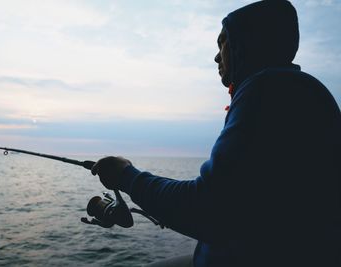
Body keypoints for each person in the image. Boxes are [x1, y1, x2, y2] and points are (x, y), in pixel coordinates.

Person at [91, 0, 341, 266]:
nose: (216, 56)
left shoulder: (267, 90)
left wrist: (126, 176)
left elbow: (208, 209)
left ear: (245, 44)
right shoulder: (293, 90)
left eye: (223, 42)